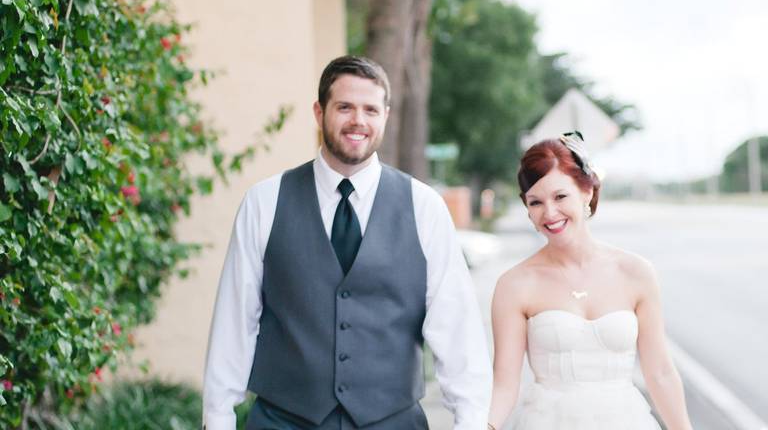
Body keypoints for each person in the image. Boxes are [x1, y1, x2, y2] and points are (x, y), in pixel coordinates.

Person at [202, 56, 491, 430]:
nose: (358, 120)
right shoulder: (265, 201)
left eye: (371, 109)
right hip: (283, 421)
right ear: (319, 112)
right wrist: (217, 418)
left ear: (385, 115)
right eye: (345, 107)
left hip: (393, 422)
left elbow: (456, 326)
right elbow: (234, 320)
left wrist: (469, 421)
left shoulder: (425, 207)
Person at [487, 134, 693, 430]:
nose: (550, 213)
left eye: (560, 197)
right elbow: (505, 384)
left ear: (586, 191)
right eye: (536, 202)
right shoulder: (514, 285)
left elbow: (660, 372)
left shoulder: (636, 272)